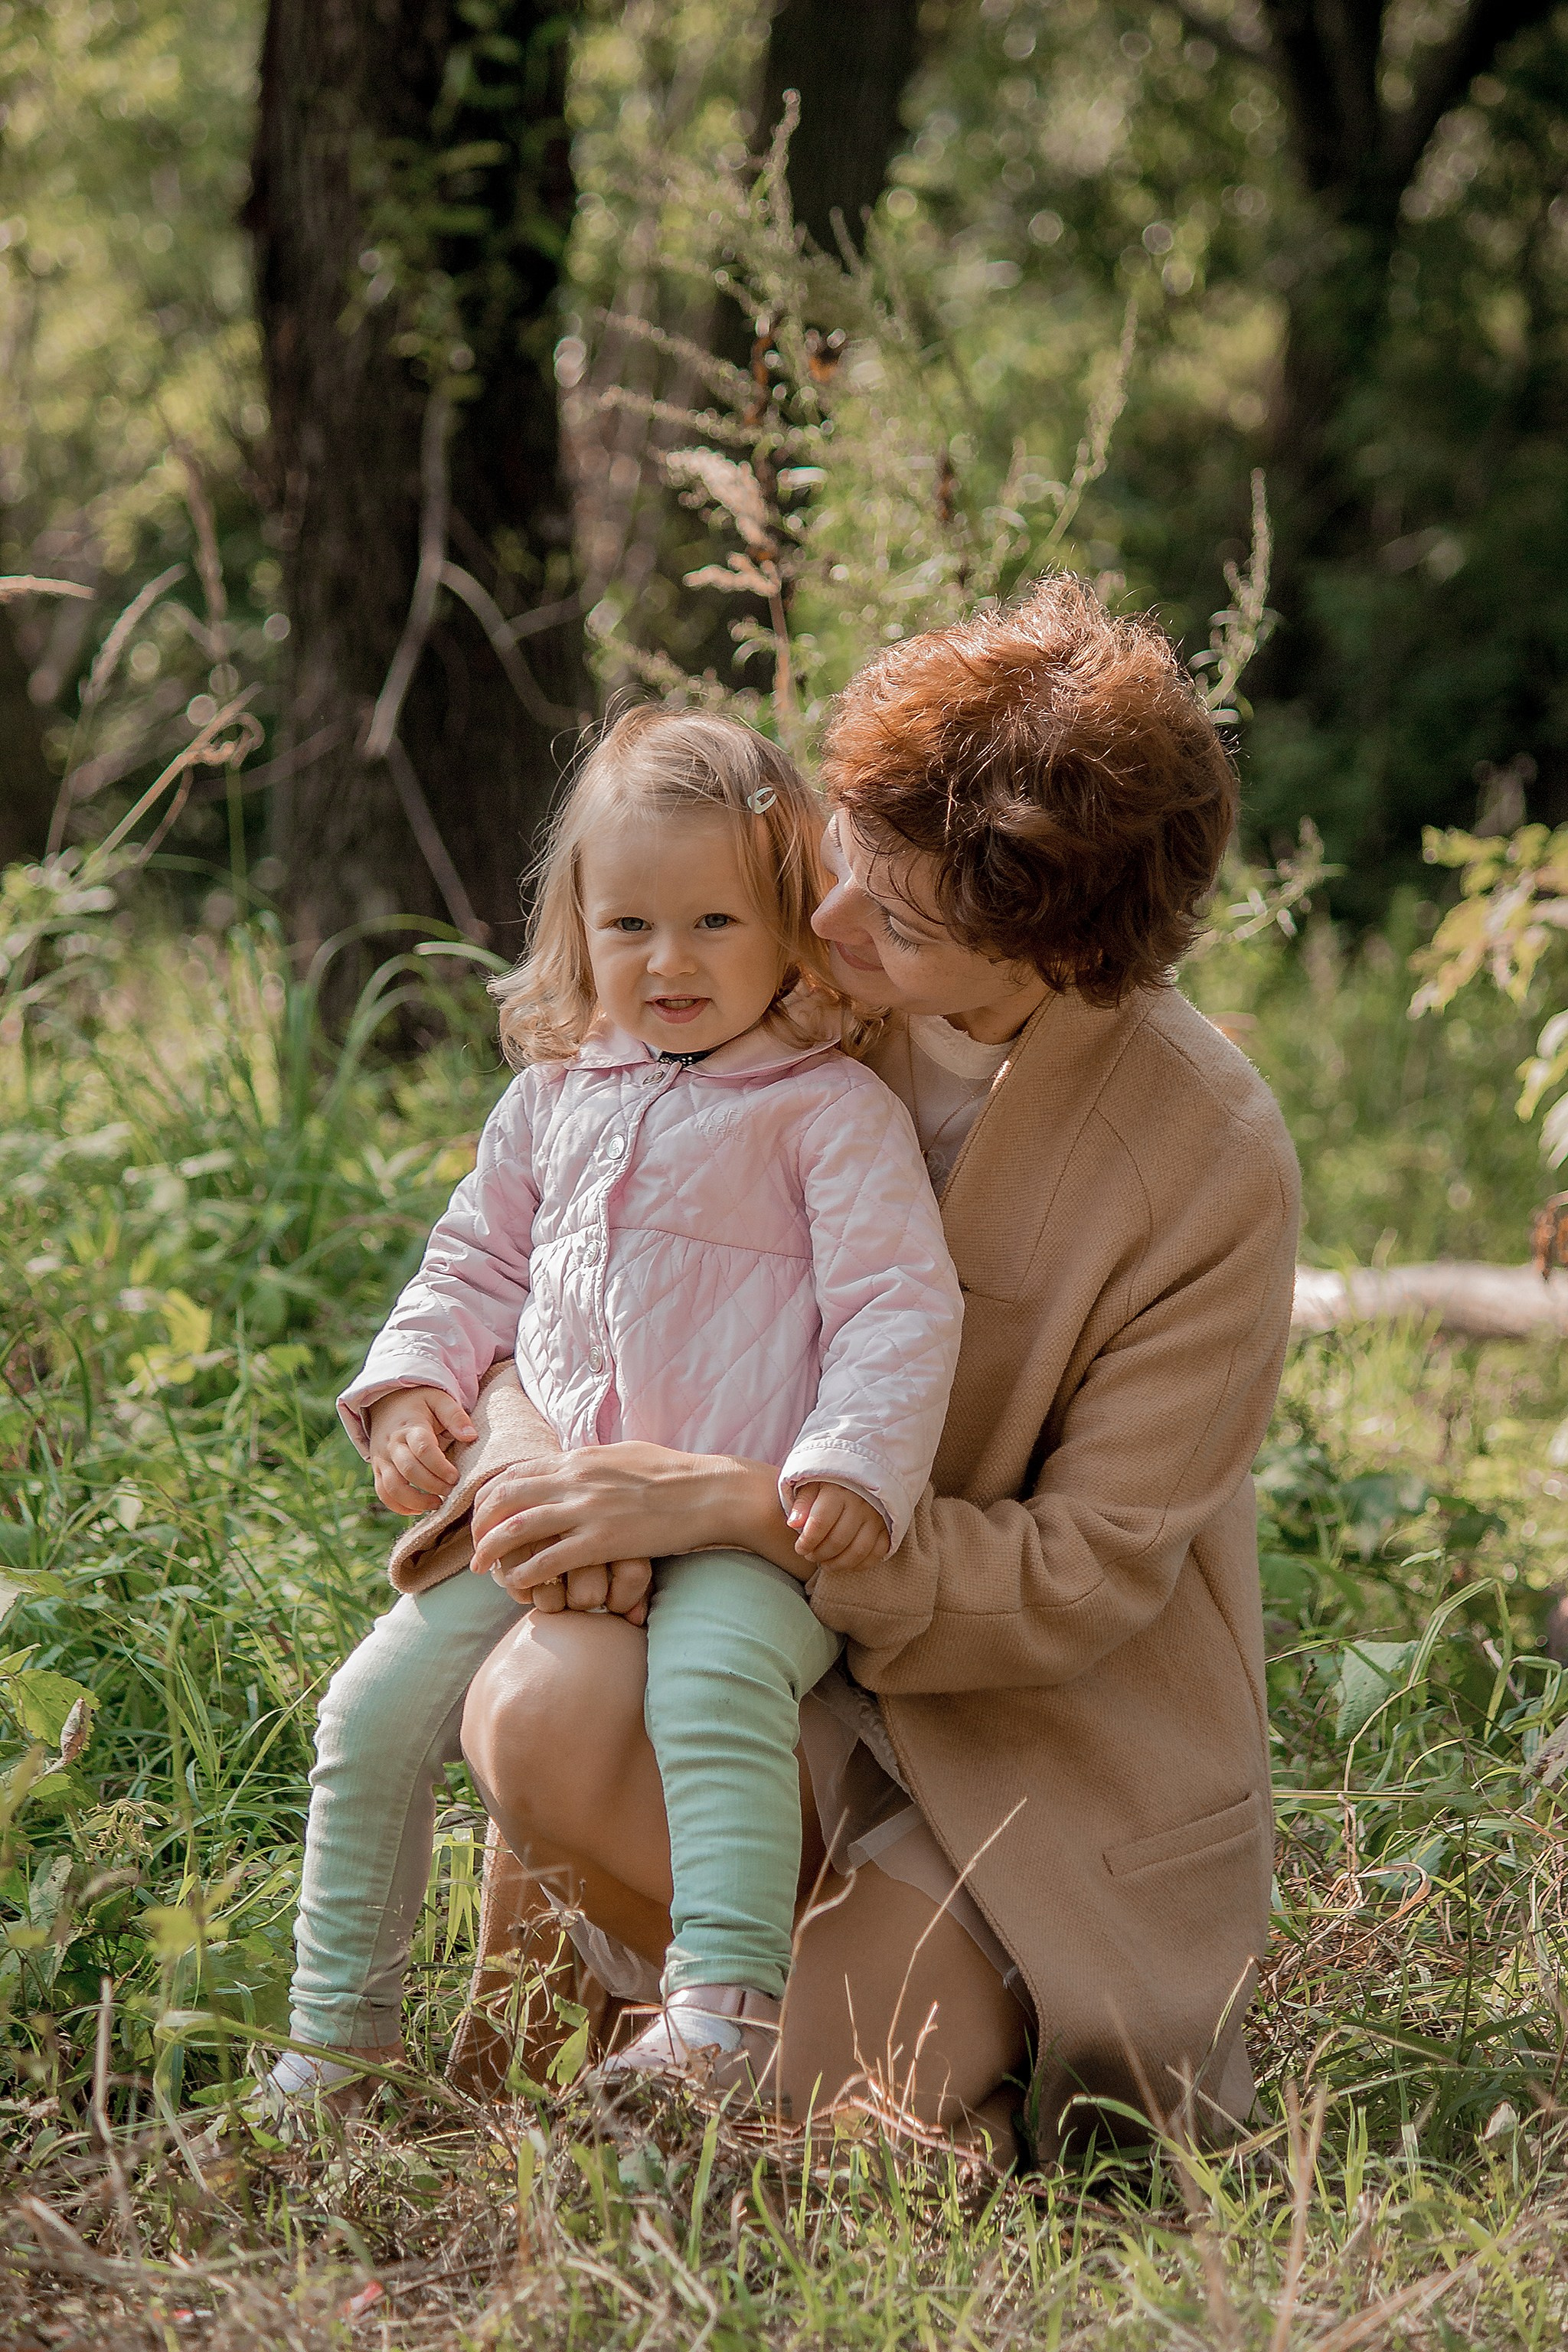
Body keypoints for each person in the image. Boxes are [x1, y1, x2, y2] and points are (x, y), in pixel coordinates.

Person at [456, 576, 1302, 2163]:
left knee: (806, 2117)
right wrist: (525, 1450)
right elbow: (548, 1257)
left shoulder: (1207, 1158)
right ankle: (714, 1987)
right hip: (765, 1666)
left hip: (1032, 1746)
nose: (831, 924)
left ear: (1065, 957)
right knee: (537, 1710)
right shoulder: (780, 994)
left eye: (898, 923)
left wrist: (737, 1505)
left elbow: (1084, 1573)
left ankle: (910, 2045)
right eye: (843, 859)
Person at [264, 707, 963, 2112]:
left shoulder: (827, 1112)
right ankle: (337, 2040)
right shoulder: (553, 1102)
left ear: (789, 922)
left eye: (715, 921)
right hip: (552, 1509)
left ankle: (721, 2007)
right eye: (630, 924)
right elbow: (471, 1265)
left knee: (712, 1692)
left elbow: (897, 1304)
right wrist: (411, 1387)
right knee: (369, 1712)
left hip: (739, 1527)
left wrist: (849, 1464)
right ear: (579, 930)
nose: (671, 961)